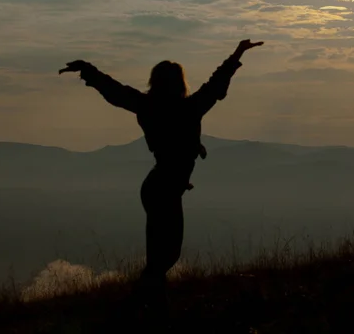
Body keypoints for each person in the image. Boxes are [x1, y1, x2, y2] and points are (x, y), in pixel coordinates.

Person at [59, 39, 264, 314]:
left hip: (158, 186)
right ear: (179, 83)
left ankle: (149, 305)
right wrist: (236, 55)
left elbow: (116, 91)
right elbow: (215, 85)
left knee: (162, 253)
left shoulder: (148, 106)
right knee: (166, 253)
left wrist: (89, 70)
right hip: (163, 187)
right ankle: (142, 305)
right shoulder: (189, 108)